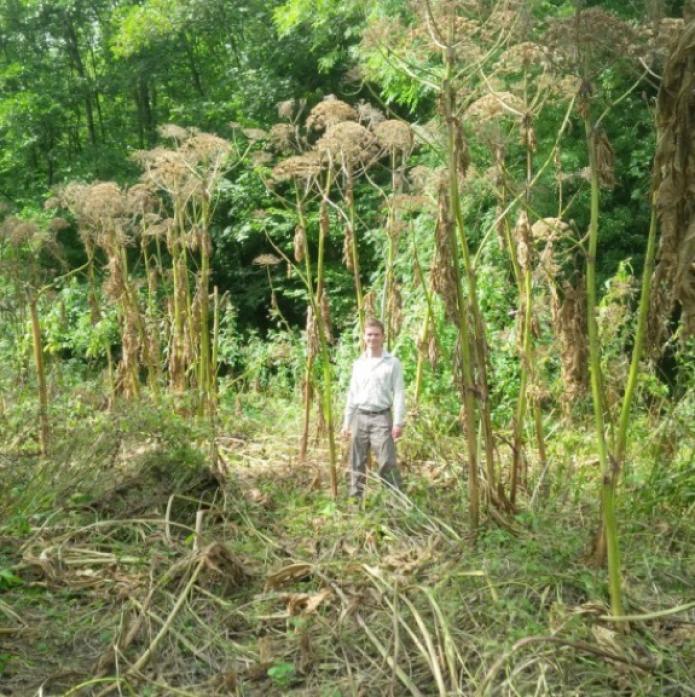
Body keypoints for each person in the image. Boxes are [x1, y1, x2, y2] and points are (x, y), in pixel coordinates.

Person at [341, 317, 405, 499]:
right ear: (364, 337)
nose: (373, 338)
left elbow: (399, 393)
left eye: (377, 334)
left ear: (383, 337)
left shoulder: (393, 362)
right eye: (369, 334)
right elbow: (352, 395)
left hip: (382, 418)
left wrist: (398, 422)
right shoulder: (358, 364)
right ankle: (355, 501)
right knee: (356, 462)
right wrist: (346, 423)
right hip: (359, 417)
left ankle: (394, 502)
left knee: (387, 461)